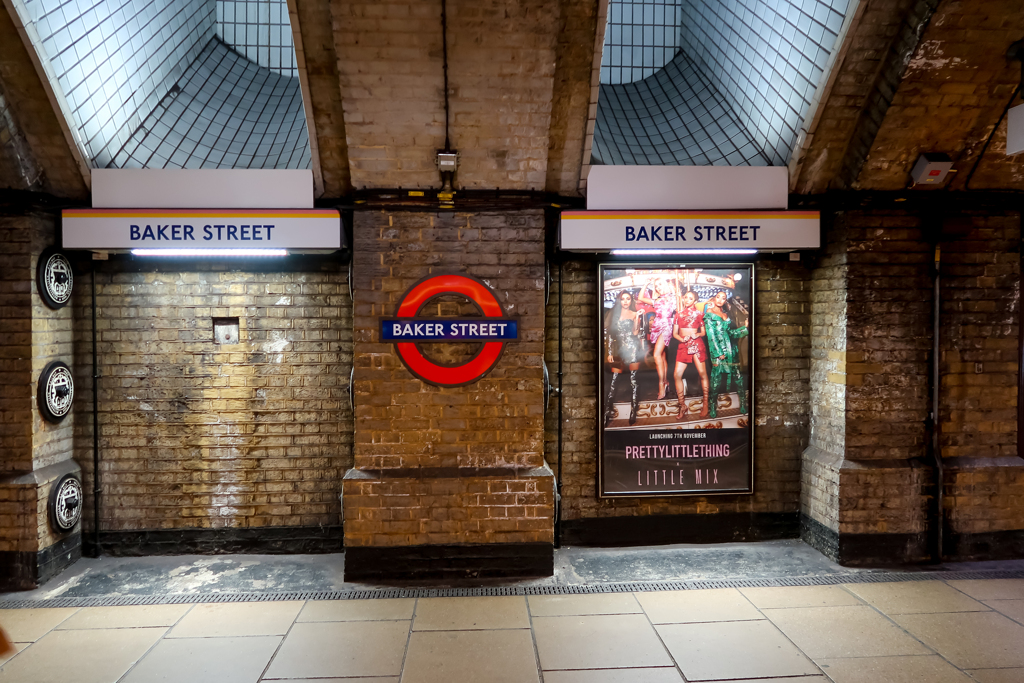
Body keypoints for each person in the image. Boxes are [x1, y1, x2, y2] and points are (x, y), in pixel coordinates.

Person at [703, 290, 748, 418]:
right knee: (716, 380)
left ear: (725, 301)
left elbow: (731, 333)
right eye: (718, 297)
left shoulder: (725, 314)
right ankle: (712, 406)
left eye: (723, 298)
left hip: (732, 350)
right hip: (718, 352)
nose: (720, 300)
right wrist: (718, 353)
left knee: (738, 378)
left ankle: (743, 404)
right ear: (714, 298)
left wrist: (745, 328)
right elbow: (711, 335)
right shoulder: (709, 314)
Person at [604, 290, 644, 425]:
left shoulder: (634, 314)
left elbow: (636, 332)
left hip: (632, 349)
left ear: (631, 301)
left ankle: (633, 411)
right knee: (613, 382)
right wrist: (609, 353)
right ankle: (607, 412)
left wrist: (637, 319)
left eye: (628, 299)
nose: (625, 301)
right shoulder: (613, 315)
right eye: (623, 299)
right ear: (619, 301)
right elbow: (610, 335)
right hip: (618, 352)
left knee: (633, 381)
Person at [671, 289, 710, 419]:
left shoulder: (700, 314)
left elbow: (703, 332)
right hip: (683, 345)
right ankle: (682, 406)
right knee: (677, 375)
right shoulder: (678, 314)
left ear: (695, 301)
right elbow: (675, 333)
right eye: (686, 297)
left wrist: (697, 334)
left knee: (702, 374)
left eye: (690, 298)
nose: (687, 300)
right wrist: (682, 339)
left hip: (697, 344)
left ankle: (705, 404)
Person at [638, 277, 678, 400]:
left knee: (656, 355)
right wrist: (646, 283)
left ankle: (661, 384)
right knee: (662, 355)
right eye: (656, 286)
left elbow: (680, 309)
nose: (658, 288)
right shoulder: (656, 300)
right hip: (657, 325)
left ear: (665, 285)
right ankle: (666, 382)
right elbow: (640, 298)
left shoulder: (673, 298)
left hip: (667, 326)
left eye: (660, 285)